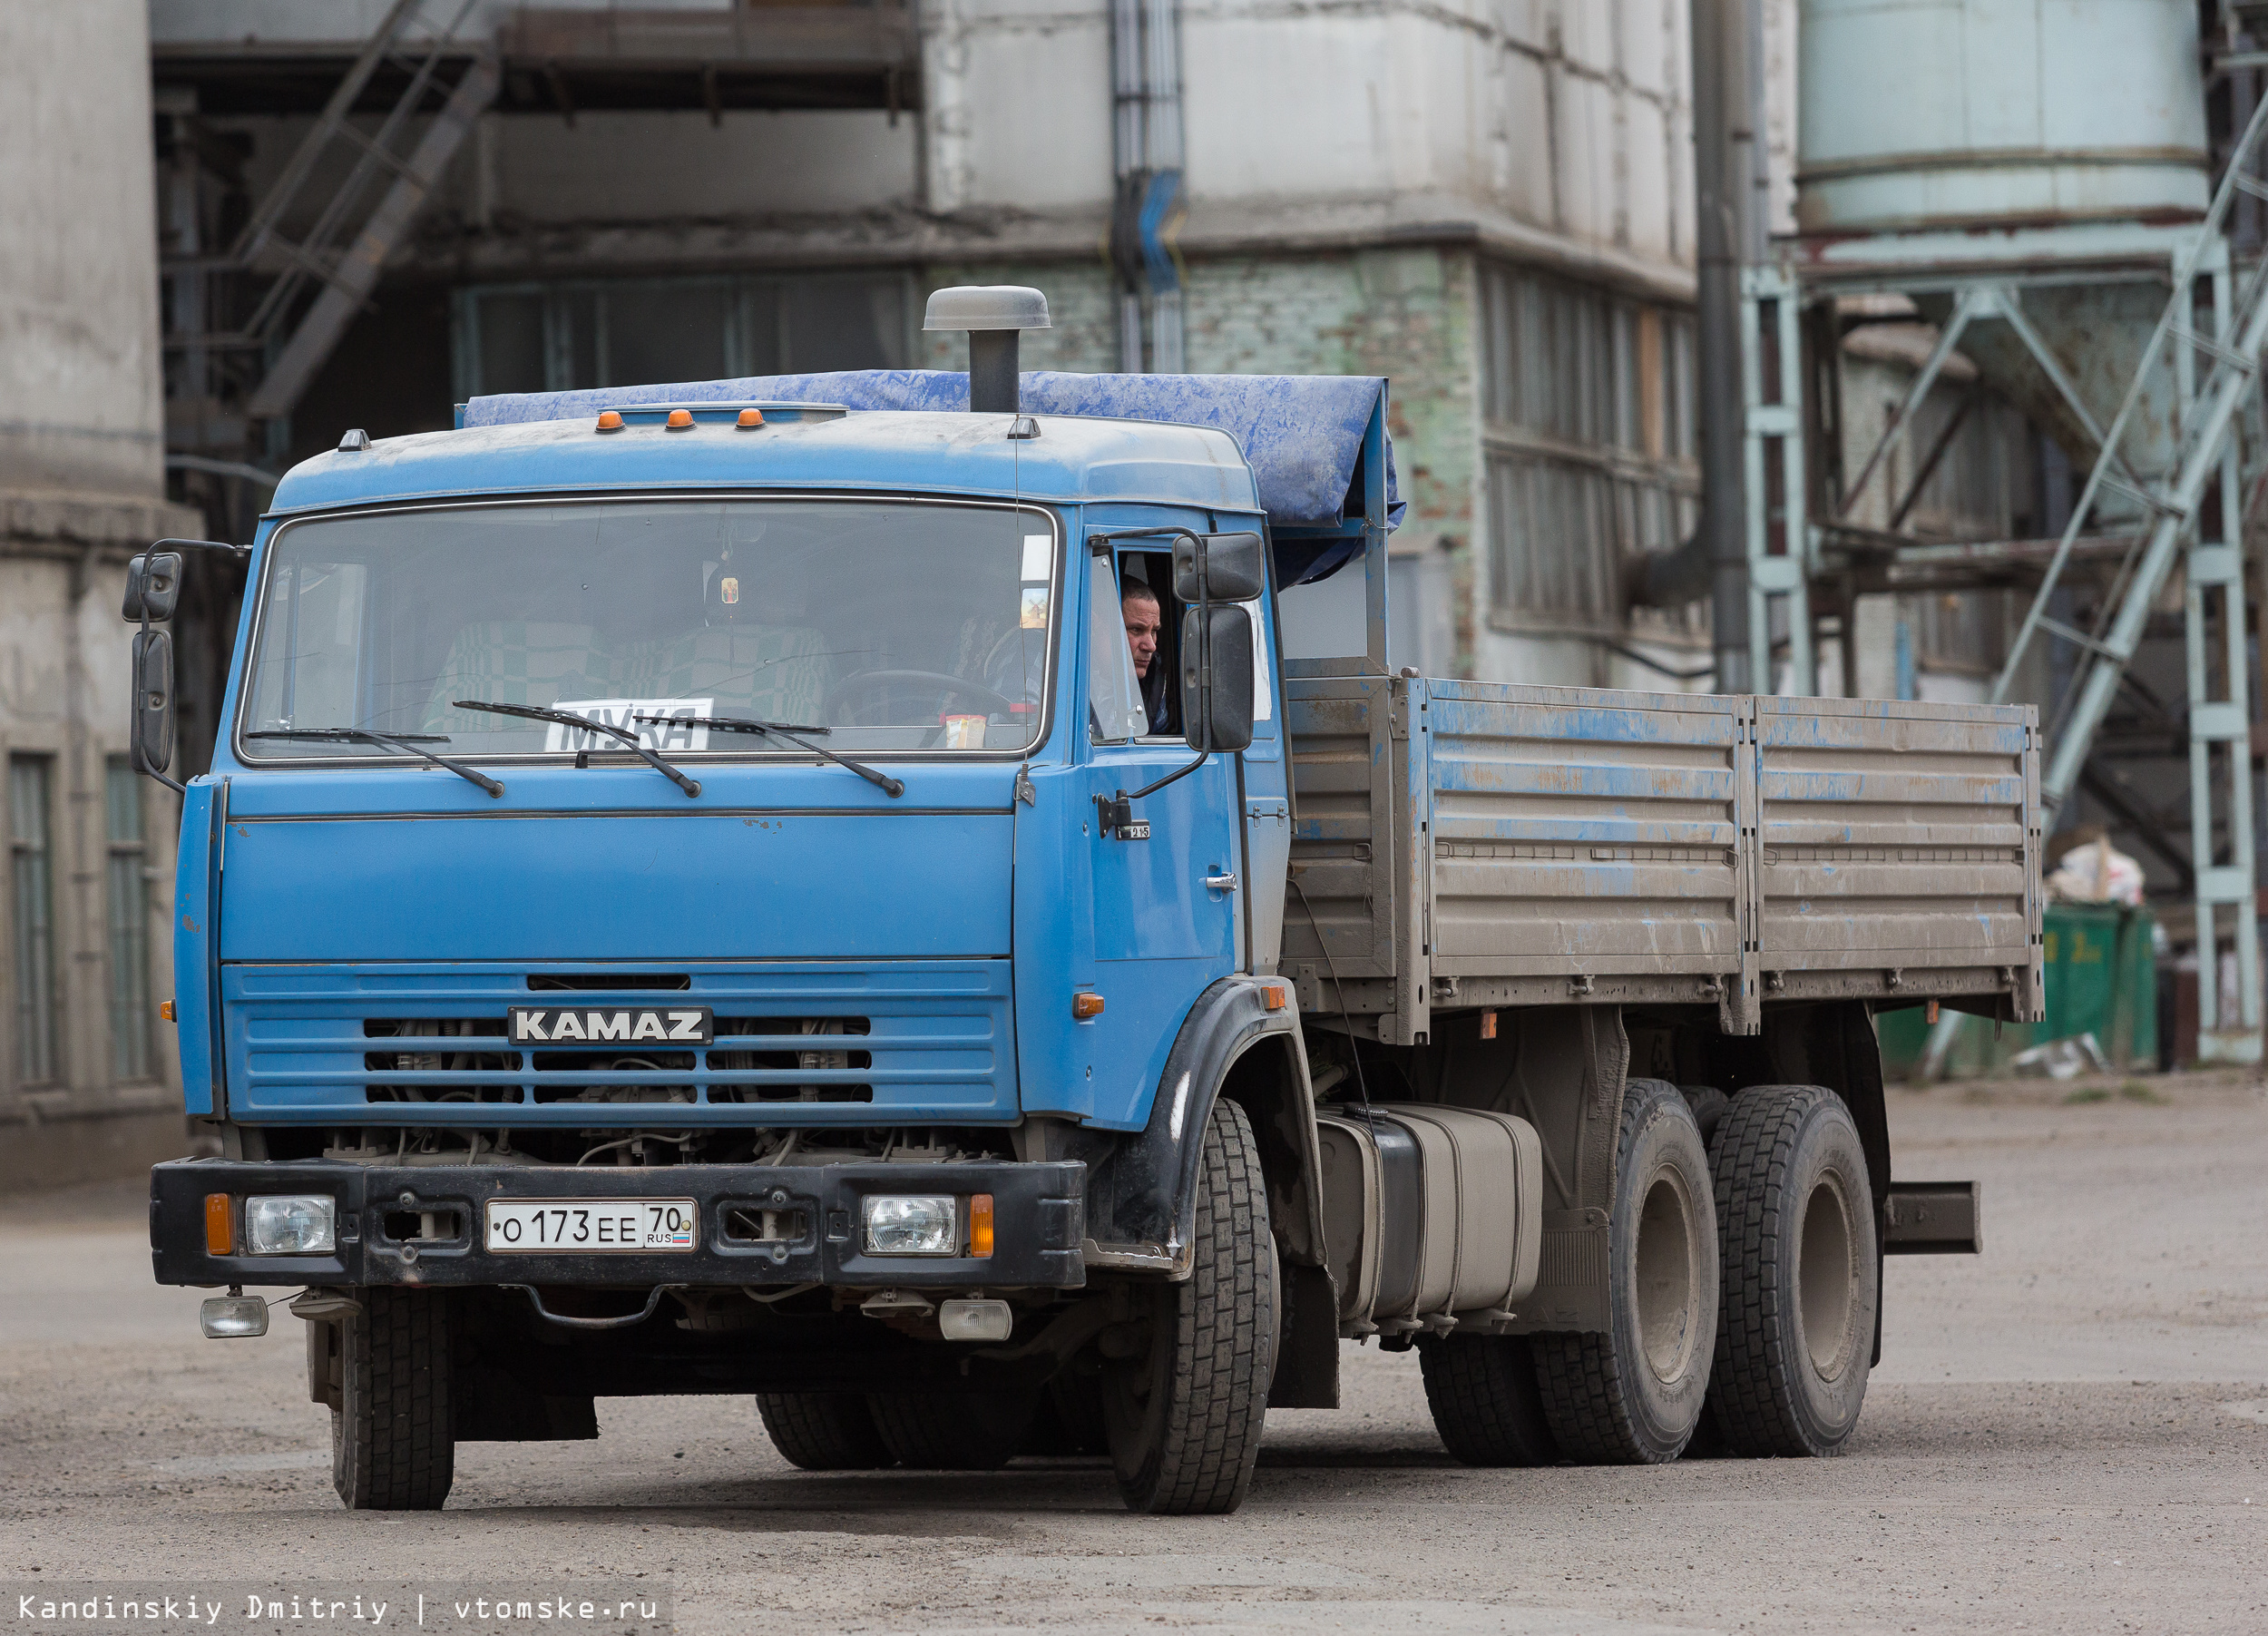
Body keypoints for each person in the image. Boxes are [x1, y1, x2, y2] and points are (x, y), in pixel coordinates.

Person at [1121, 579, 1174, 735]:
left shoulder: (1155, 681)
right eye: (1136, 630)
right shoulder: (1054, 687)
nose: (1151, 646)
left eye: (1153, 631)